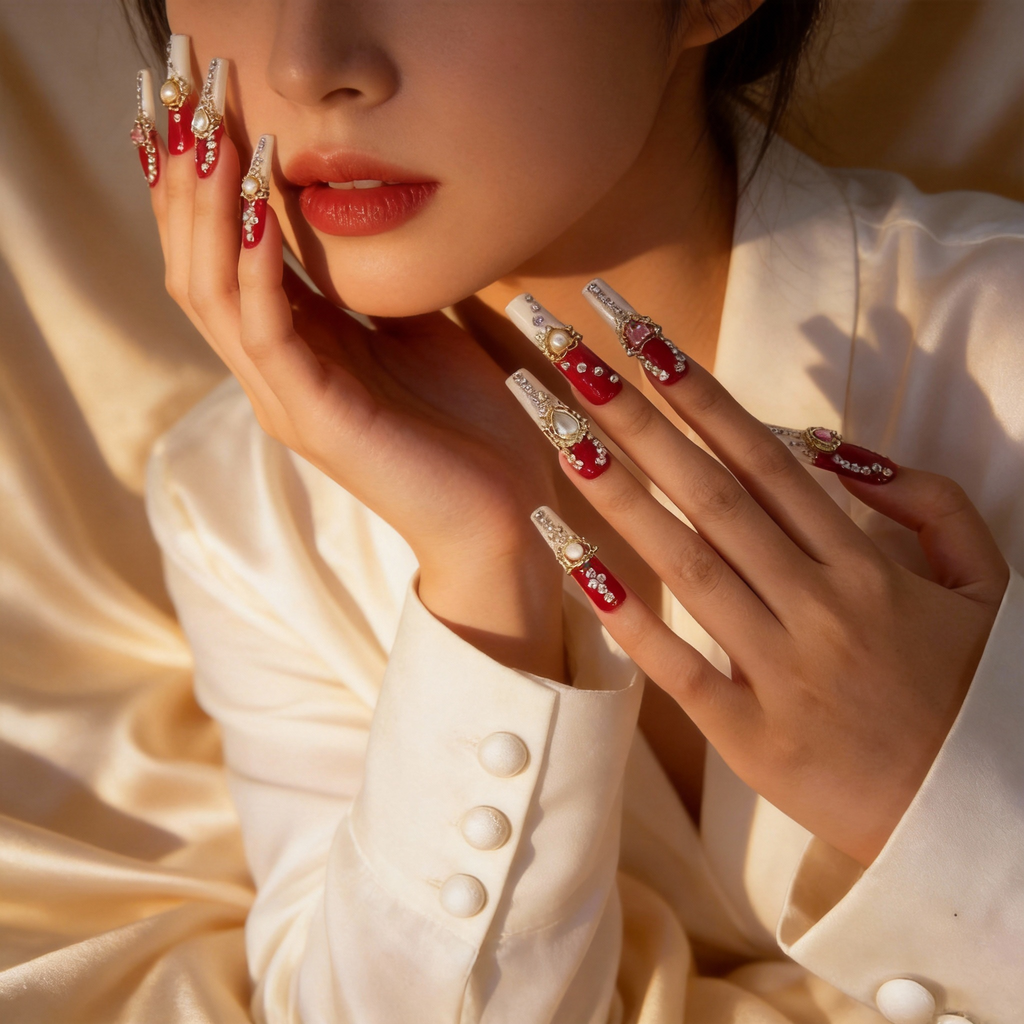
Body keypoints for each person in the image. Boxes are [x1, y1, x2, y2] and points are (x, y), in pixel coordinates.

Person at [127, 1, 1024, 1021]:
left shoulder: (1000, 363)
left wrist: (959, 806)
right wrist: (480, 568)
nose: (308, 64)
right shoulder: (240, 506)